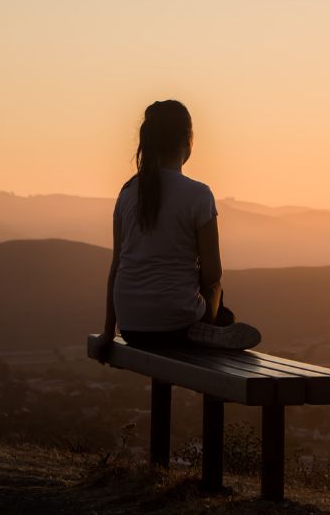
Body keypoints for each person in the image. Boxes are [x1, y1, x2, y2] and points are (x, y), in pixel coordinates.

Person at [97, 99, 261, 353]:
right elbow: (212, 275)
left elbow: (117, 265)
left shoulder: (128, 192)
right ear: (188, 141)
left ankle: (209, 327)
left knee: (210, 304)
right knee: (221, 303)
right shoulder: (198, 195)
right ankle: (212, 328)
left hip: (131, 328)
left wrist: (109, 331)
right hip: (177, 325)